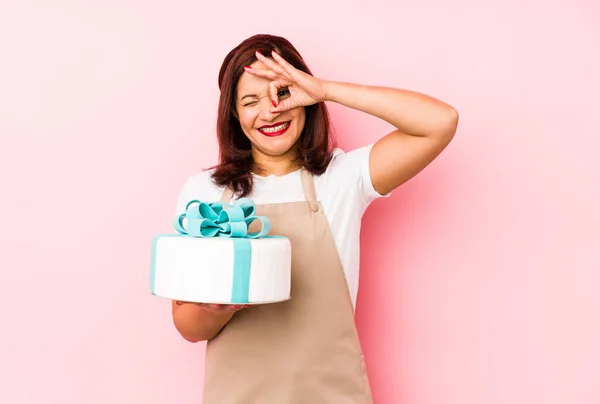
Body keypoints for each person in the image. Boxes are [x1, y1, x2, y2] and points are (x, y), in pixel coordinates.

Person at [170, 34, 458, 404]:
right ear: (234, 115)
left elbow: (439, 121)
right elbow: (187, 327)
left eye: (283, 93)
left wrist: (325, 89)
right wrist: (218, 307)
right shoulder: (205, 193)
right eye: (250, 101)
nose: (270, 110)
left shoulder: (342, 177)